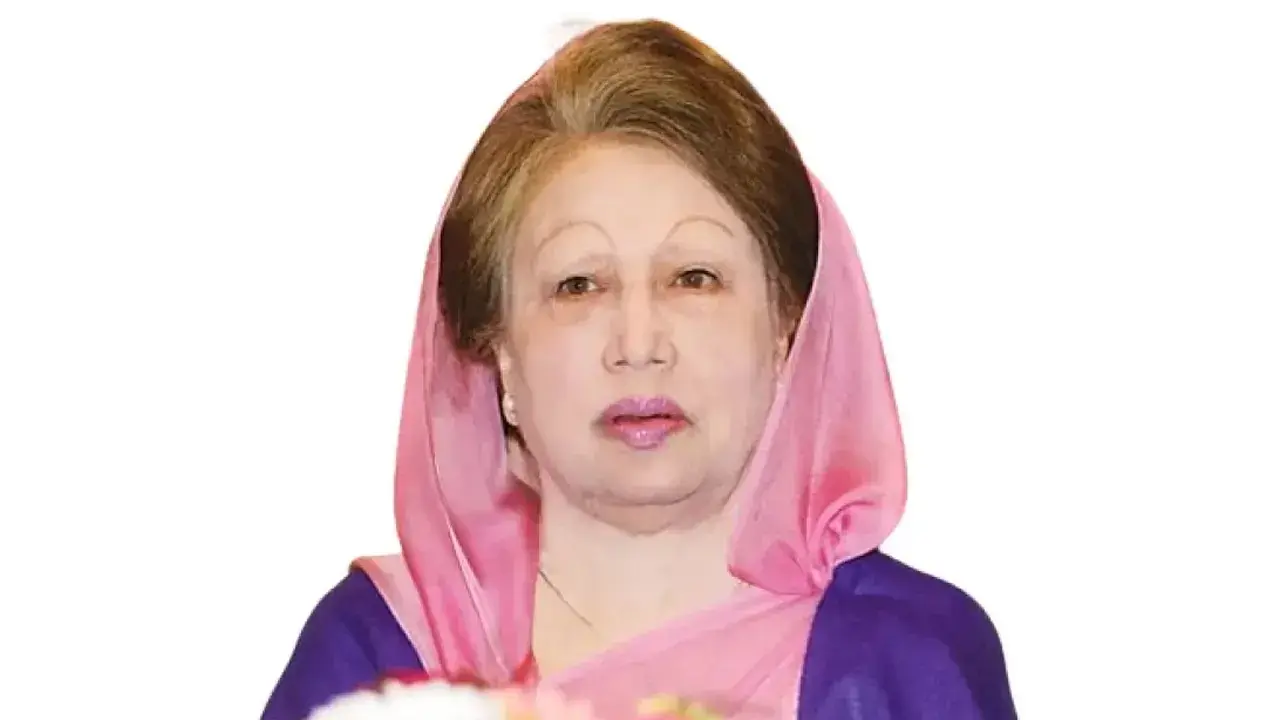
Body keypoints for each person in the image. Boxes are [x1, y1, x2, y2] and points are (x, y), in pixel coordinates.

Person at [262, 19, 1017, 720]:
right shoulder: (376, 652)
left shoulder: (903, 659)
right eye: (578, 285)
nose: (639, 341)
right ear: (499, 352)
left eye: (693, 278)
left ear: (789, 326)